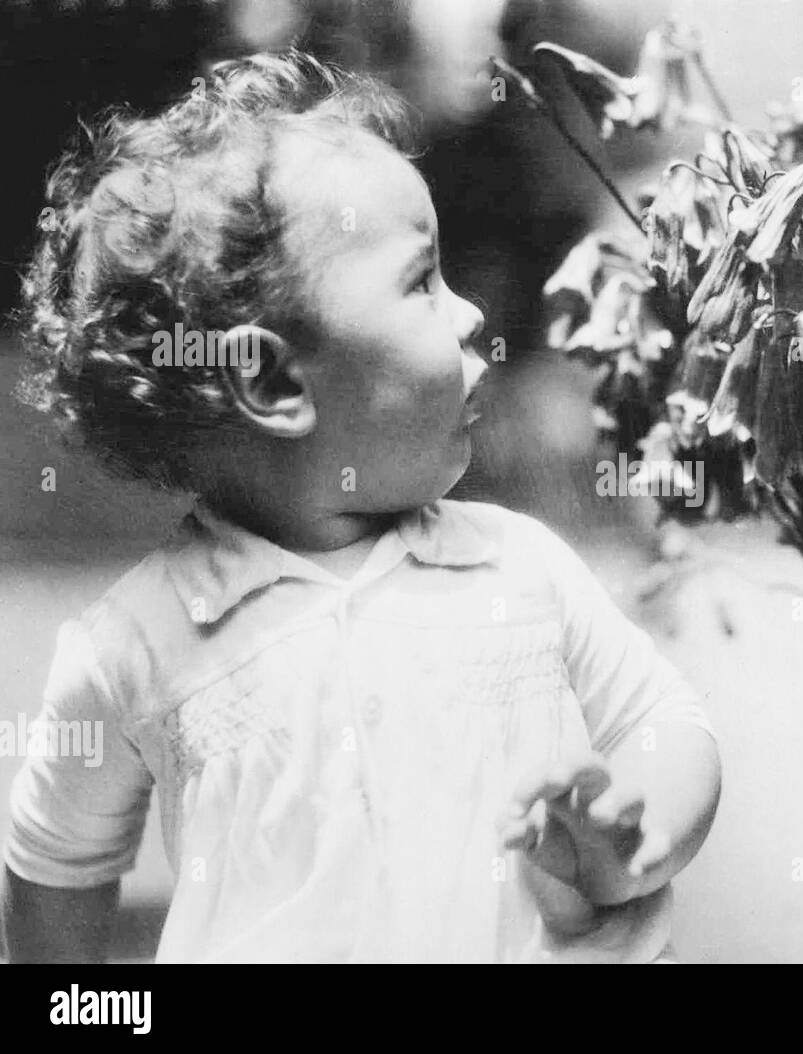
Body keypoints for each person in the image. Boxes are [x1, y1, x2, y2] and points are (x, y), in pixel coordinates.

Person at [0, 50, 720, 964]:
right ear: (270, 379)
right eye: (422, 282)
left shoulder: (518, 569)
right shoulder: (135, 646)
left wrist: (632, 836)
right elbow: (53, 858)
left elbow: (668, 722)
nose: (469, 317)